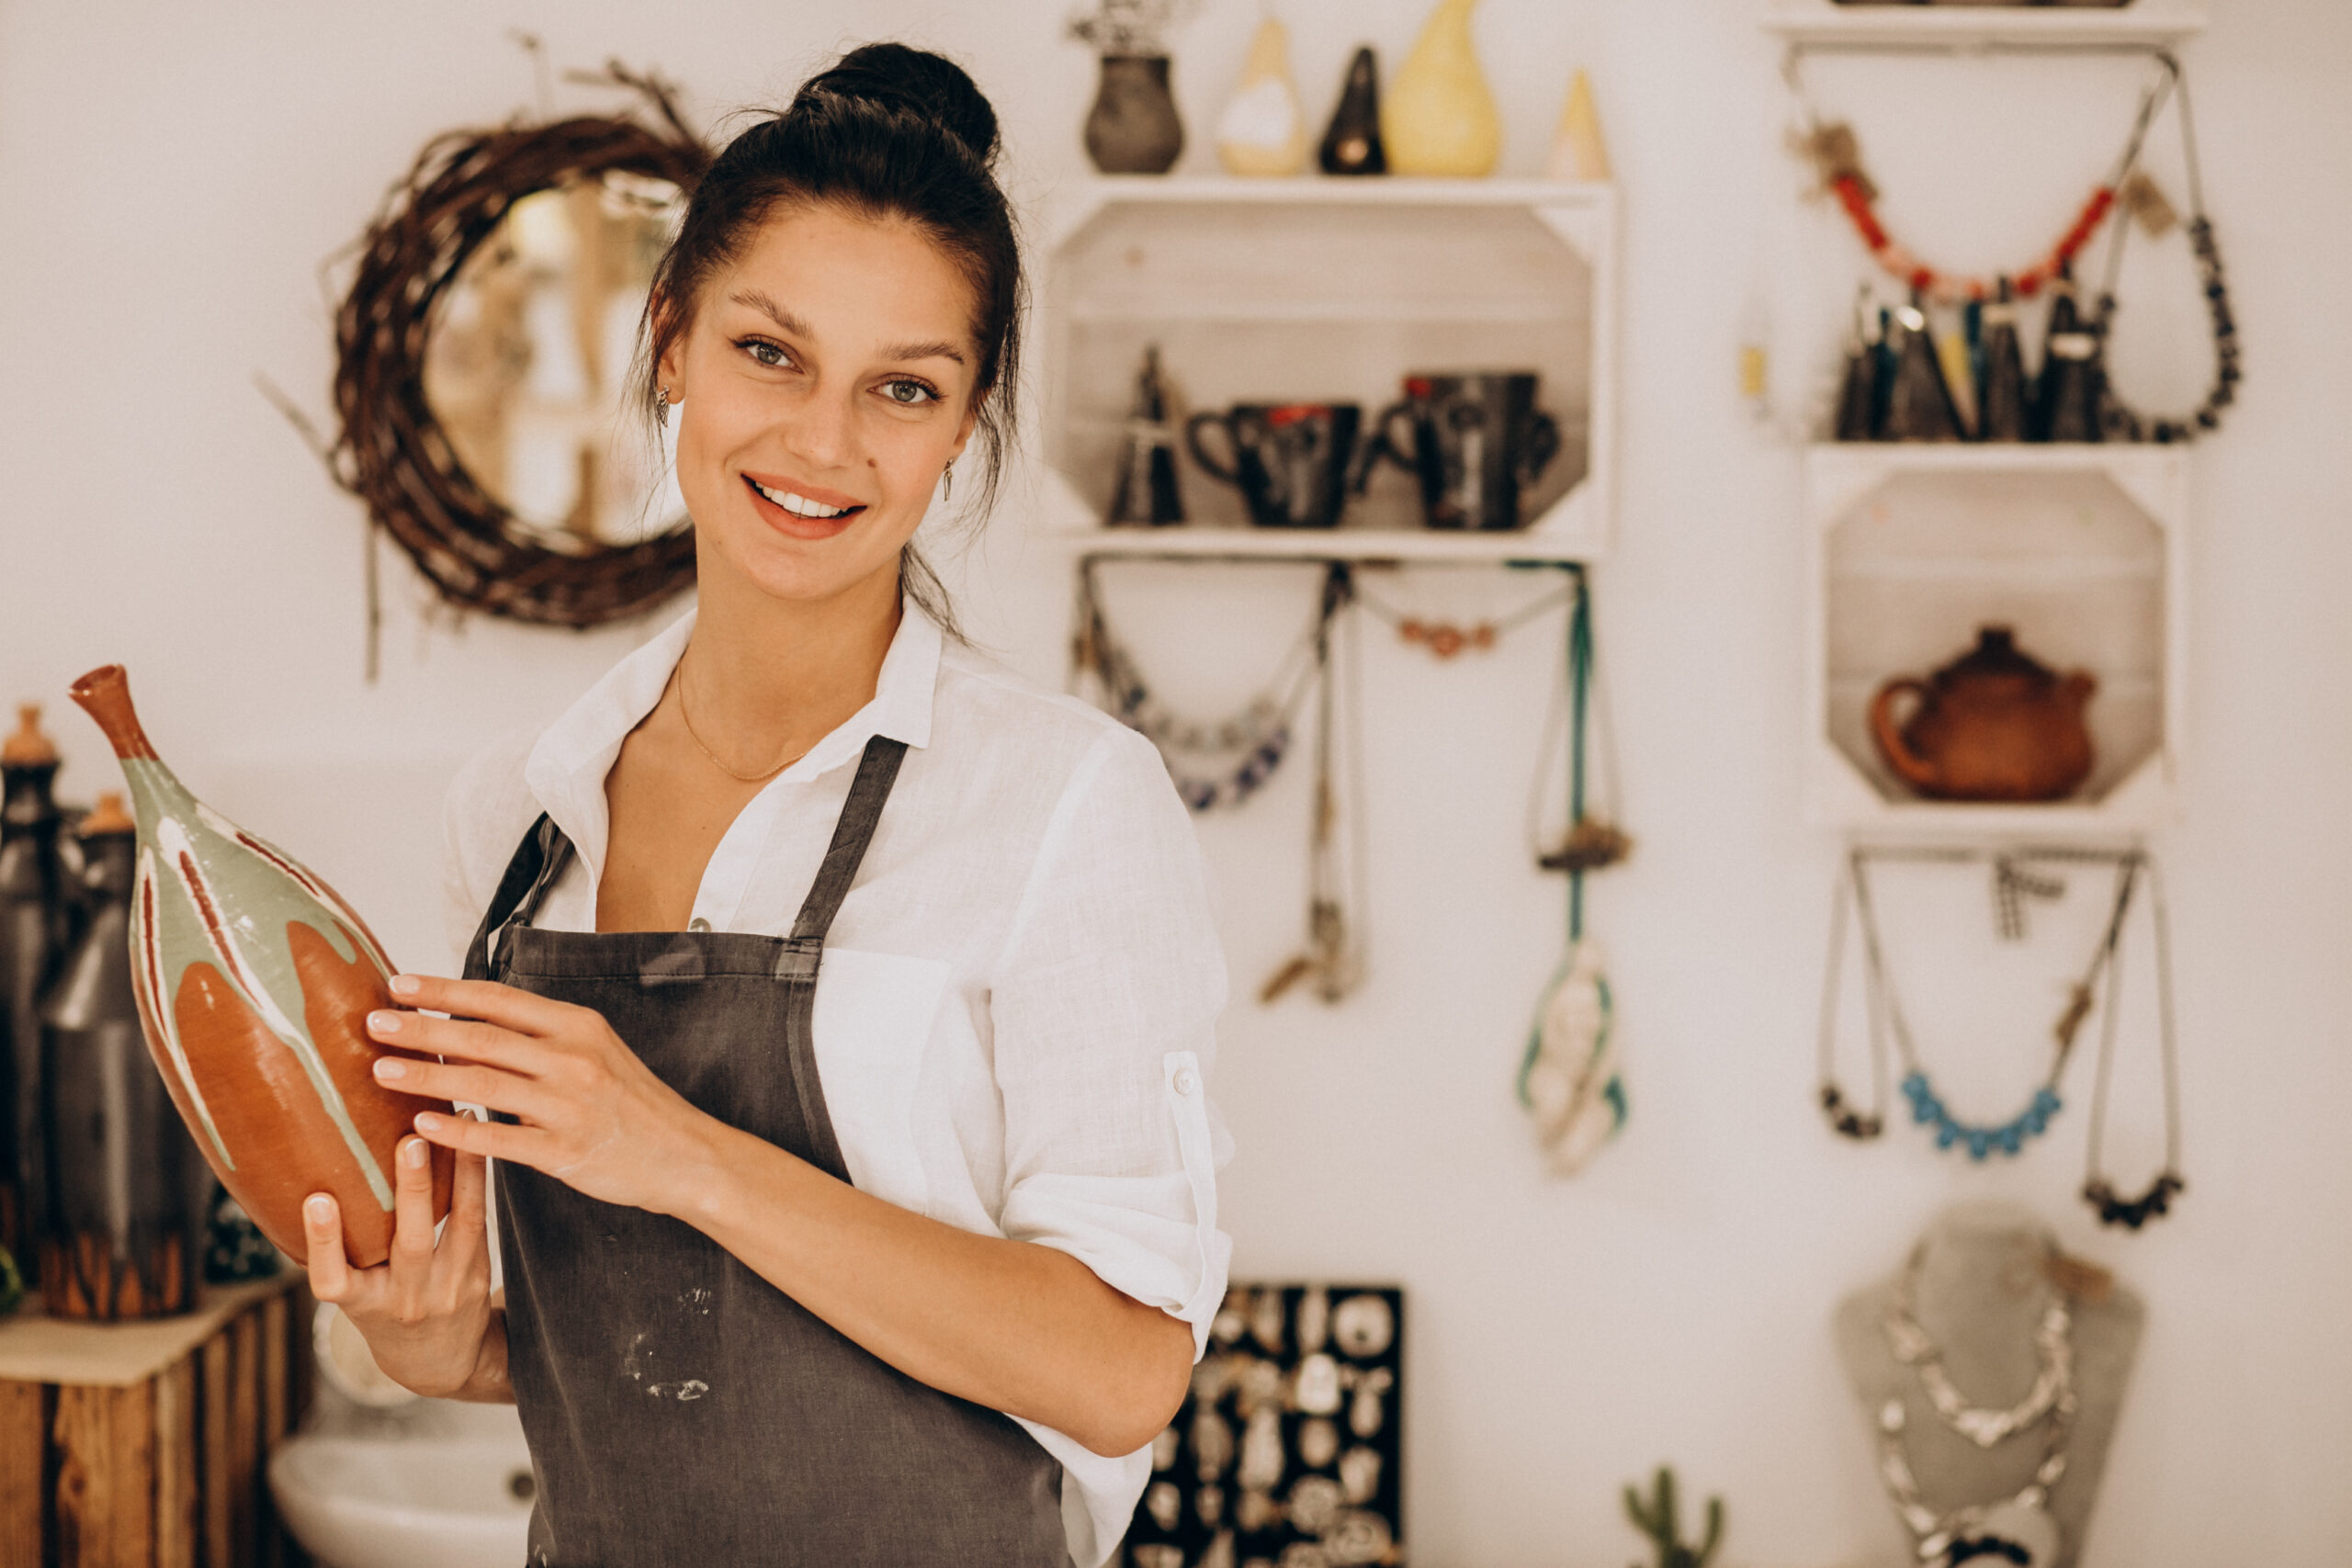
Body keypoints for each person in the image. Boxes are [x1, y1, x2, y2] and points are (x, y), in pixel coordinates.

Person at [298, 43, 1230, 1568]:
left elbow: (1124, 1371)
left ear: (963, 422)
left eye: (903, 388)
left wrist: (679, 1150)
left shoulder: (1061, 803)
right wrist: (429, 1340)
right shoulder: (520, 823)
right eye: (771, 354)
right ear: (672, 342)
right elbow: (605, 1351)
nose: (822, 443)